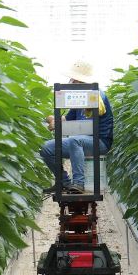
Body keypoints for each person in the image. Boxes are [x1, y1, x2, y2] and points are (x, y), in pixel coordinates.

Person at [40, 60, 114, 194]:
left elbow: (95, 114)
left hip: (99, 142)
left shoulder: (97, 95)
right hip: (79, 143)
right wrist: (53, 120)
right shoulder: (78, 100)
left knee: (76, 139)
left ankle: (79, 183)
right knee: (47, 148)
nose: (70, 82)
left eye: (73, 79)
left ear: (80, 81)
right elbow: (67, 119)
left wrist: (59, 124)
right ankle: (64, 182)